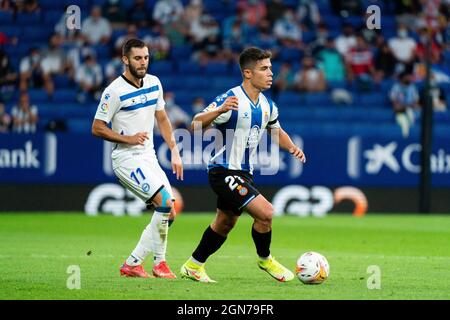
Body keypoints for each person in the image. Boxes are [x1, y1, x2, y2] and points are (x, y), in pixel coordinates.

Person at [180, 47, 306, 283]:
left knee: (225, 223)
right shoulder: (231, 99)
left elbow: (277, 132)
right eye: (264, 69)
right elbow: (195, 125)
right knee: (266, 213)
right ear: (248, 73)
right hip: (223, 170)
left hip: (244, 173)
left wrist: (291, 147)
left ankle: (193, 265)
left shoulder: (268, 105)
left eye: (270, 68)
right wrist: (220, 109)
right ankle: (265, 259)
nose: (270, 73)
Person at [91, 39, 183, 279]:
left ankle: (133, 263)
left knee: (170, 212)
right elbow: (97, 127)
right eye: (137, 58)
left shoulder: (154, 83)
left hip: (149, 156)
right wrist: (128, 138)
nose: (143, 63)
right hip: (126, 158)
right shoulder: (114, 91)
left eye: (146, 58)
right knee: (164, 202)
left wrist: (174, 149)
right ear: (125, 59)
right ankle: (159, 263)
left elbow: (162, 119)